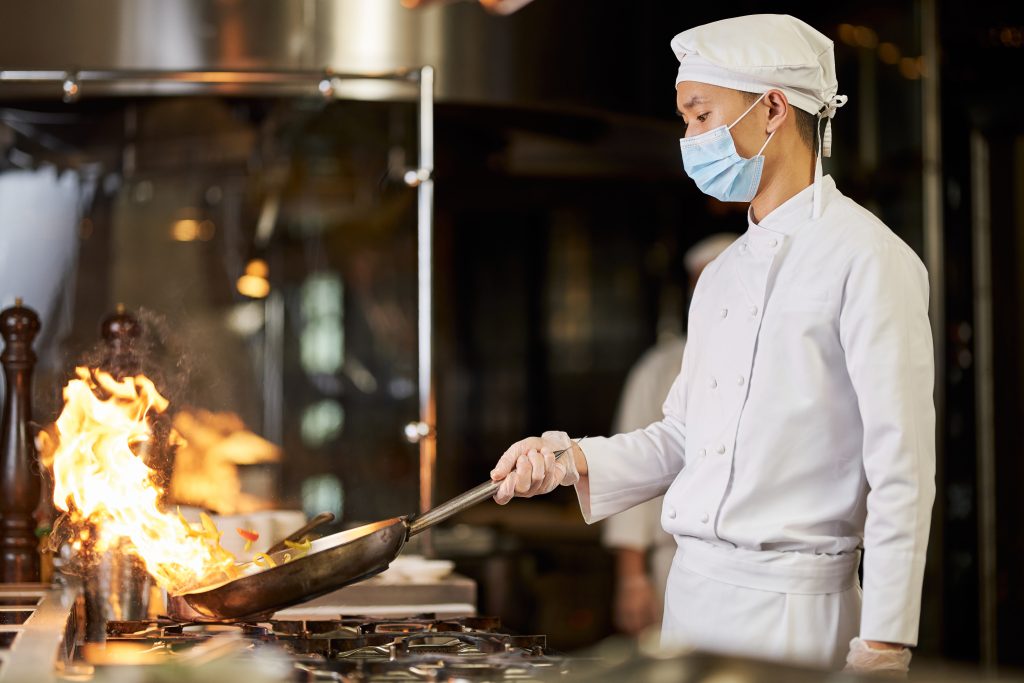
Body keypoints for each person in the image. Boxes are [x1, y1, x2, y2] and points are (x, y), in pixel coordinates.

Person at [488, 14, 935, 675]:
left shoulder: (870, 259)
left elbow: (902, 466)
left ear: (774, 108)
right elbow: (683, 438)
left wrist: (886, 638)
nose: (690, 139)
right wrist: (566, 458)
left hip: (795, 607)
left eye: (700, 116)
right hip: (691, 596)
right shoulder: (722, 274)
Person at [602, 234, 736, 636]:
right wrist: (632, 578)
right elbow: (639, 467)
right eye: (701, 282)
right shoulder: (661, 367)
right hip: (675, 561)